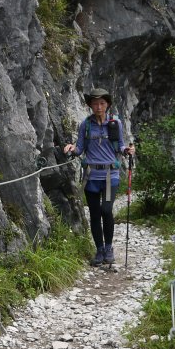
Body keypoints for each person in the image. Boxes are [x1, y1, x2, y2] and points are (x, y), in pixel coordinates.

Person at [64, 88, 135, 266]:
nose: (98, 106)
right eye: (95, 103)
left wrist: (127, 150)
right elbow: (80, 148)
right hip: (91, 176)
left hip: (111, 176)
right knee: (95, 214)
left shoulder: (115, 124)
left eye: (102, 103)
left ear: (107, 104)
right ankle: (100, 250)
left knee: (106, 210)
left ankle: (109, 247)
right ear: (90, 105)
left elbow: (120, 145)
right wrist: (72, 150)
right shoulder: (86, 125)